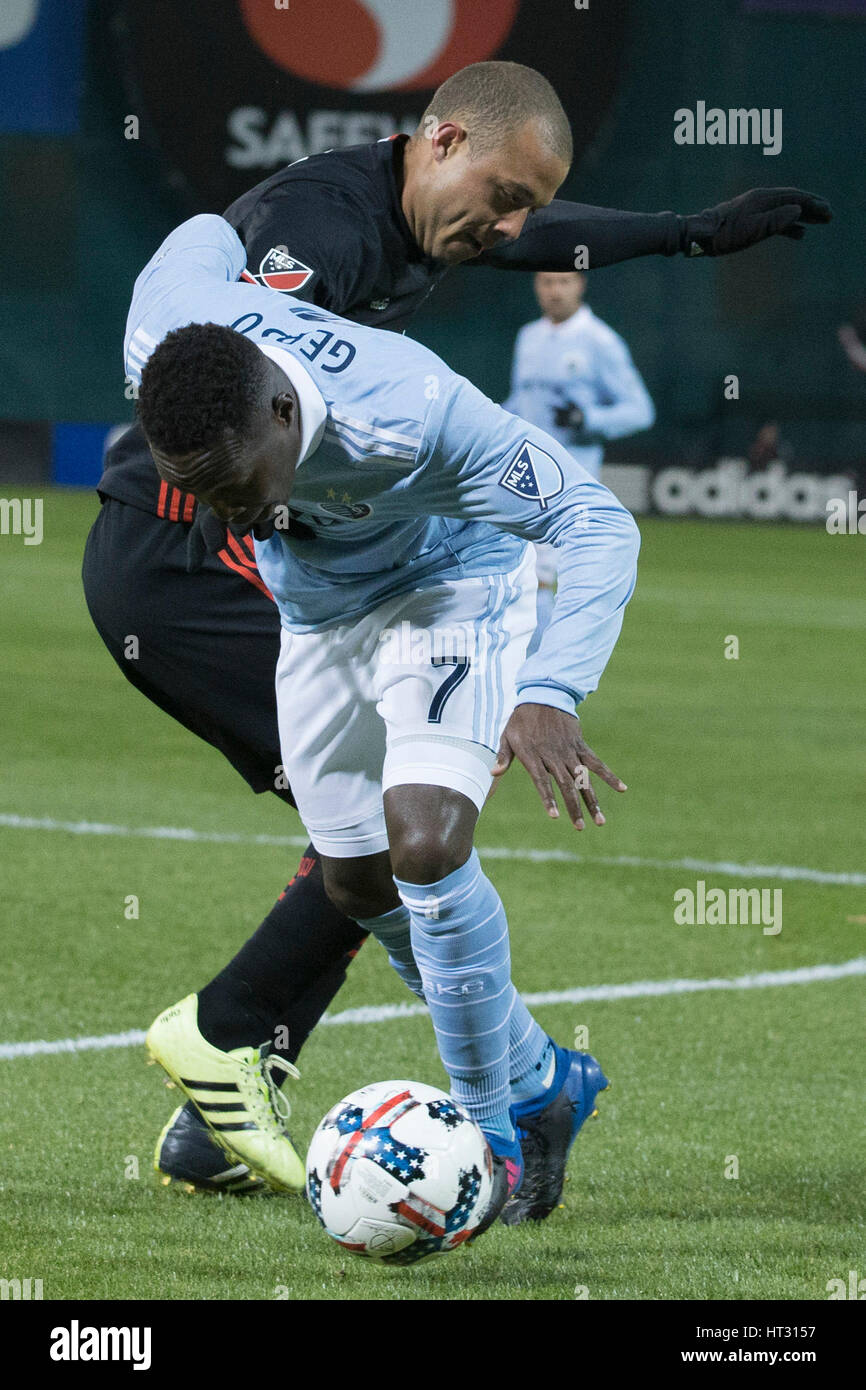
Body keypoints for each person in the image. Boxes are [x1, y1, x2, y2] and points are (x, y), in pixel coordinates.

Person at [81, 59, 832, 1197]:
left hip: (400, 564)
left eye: (524, 200)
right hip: (194, 541)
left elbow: (521, 270)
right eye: (501, 191)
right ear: (434, 142)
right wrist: (238, 499)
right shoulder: (309, 244)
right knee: (366, 864)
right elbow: (219, 315)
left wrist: (679, 233)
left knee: (410, 844)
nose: (512, 225)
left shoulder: (414, 366)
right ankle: (473, 1073)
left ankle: (377, 1086)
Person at [133, 211, 639, 1231]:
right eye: (200, 494)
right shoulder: (168, 335)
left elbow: (594, 519)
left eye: (233, 486)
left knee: (424, 841)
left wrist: (549, 691)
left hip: (451, 587)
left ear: (283, 412)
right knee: (354, 876)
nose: (226, 515)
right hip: (320, 615)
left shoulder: (412, 412)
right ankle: (544, 1082)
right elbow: (196, 227)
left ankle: (491, 1135)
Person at [504, 269, 654, 645]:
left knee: (538, 582)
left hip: (570, 484)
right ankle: (523, 682)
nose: (555, 291)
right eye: (546, 282)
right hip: (519, 479)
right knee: (515, 582)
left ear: (580, 285)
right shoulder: (529, 337)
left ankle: (534, 685)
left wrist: (589, 419)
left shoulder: (600, 341)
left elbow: (640, 410)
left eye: (564, 282)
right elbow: (519, 403)